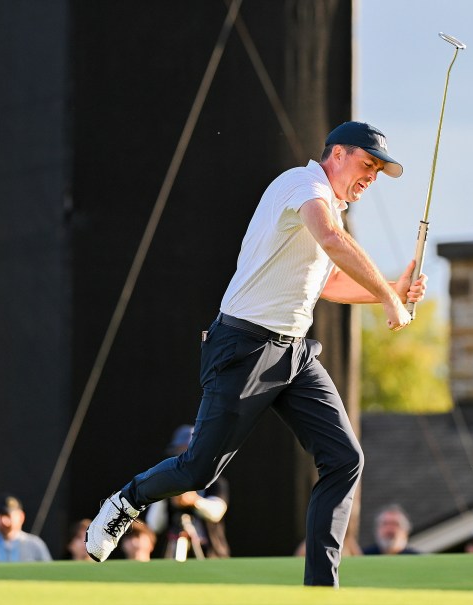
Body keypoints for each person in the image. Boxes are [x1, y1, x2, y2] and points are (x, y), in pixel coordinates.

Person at [85, 121, 426, 587]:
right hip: (243, 346)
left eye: (379, 171)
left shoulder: (330, 208)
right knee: (198, 468)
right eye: (368, 164)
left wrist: (392, 289)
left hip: (295, 353)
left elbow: (327, 282)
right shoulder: (302, 185)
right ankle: (126, 499)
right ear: (339, 154)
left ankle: (320, 591)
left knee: (346, 459)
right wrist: (388, 296)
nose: (372, 176)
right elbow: (331, 240)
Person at [145, 425, 230, 559]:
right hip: (174, 556)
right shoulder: (168, 484)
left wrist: (194, 501)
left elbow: (217, 512)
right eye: (180, 451)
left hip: (212, 556)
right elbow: (154, 524)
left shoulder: (216, 482)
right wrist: (162, 494)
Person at [0, 493, 52, 562]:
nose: (4, 521)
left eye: (8, 516)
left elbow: (48, 575)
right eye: (0, 516)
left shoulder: (35, 545)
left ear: (21, 517)